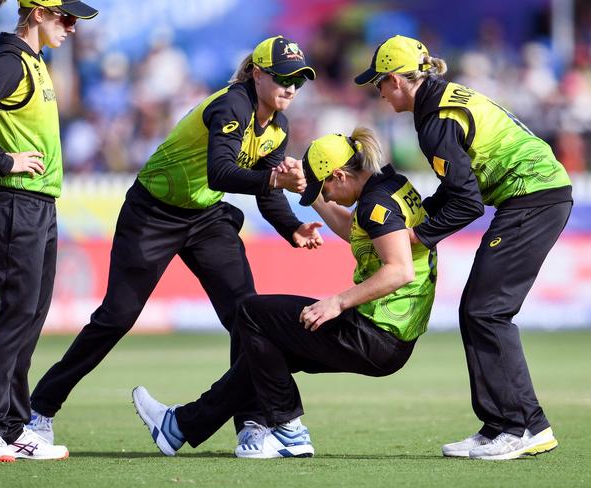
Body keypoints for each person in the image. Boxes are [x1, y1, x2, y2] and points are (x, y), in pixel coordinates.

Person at [27, 36, 323, 449]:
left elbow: (265, 191)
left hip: (205, 218)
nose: (291, 87)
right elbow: (221, 172)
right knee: (116, 318)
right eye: (283, 77)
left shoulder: (278, 126)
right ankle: (39, 409)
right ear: (257, 74)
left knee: (247, 316)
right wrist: (273, 178)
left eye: (299, 80)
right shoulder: (232, 105)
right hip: (152, 213)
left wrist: (292, 226)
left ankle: (254, 428)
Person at [131, 127, 437, 459]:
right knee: (267, 351)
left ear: (339, 174)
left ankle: (289, 431)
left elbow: (399, 270)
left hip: (375, 334)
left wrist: (337, 302)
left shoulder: (376, 204)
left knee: (251, 312)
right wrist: (313, 193)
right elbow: (357, 231)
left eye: (326, 188)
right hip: (389, 336)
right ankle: (179, 427)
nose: (329, 196)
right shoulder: (390, 185)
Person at [354, 35, 573, 461]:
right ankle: (500, 424)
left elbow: (468, 203)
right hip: (534, 195)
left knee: (486, 311)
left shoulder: (434, 119)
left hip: (534, 197)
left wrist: (417, 236)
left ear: (397, 80)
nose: (377, 91)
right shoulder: (437, 103)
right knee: (478, 310)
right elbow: (458, 189)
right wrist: (418, 218)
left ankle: (523, 427)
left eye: (379, 82)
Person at [0, 0, 98, 462]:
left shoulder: (34, 64)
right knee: (16, 314)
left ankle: (14, 426)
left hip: (37, 204)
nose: (72, 28)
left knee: (31, 314)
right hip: (14, 202)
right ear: (38, 14)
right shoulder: (11, 62)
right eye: (66, 17)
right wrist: (4, 160)